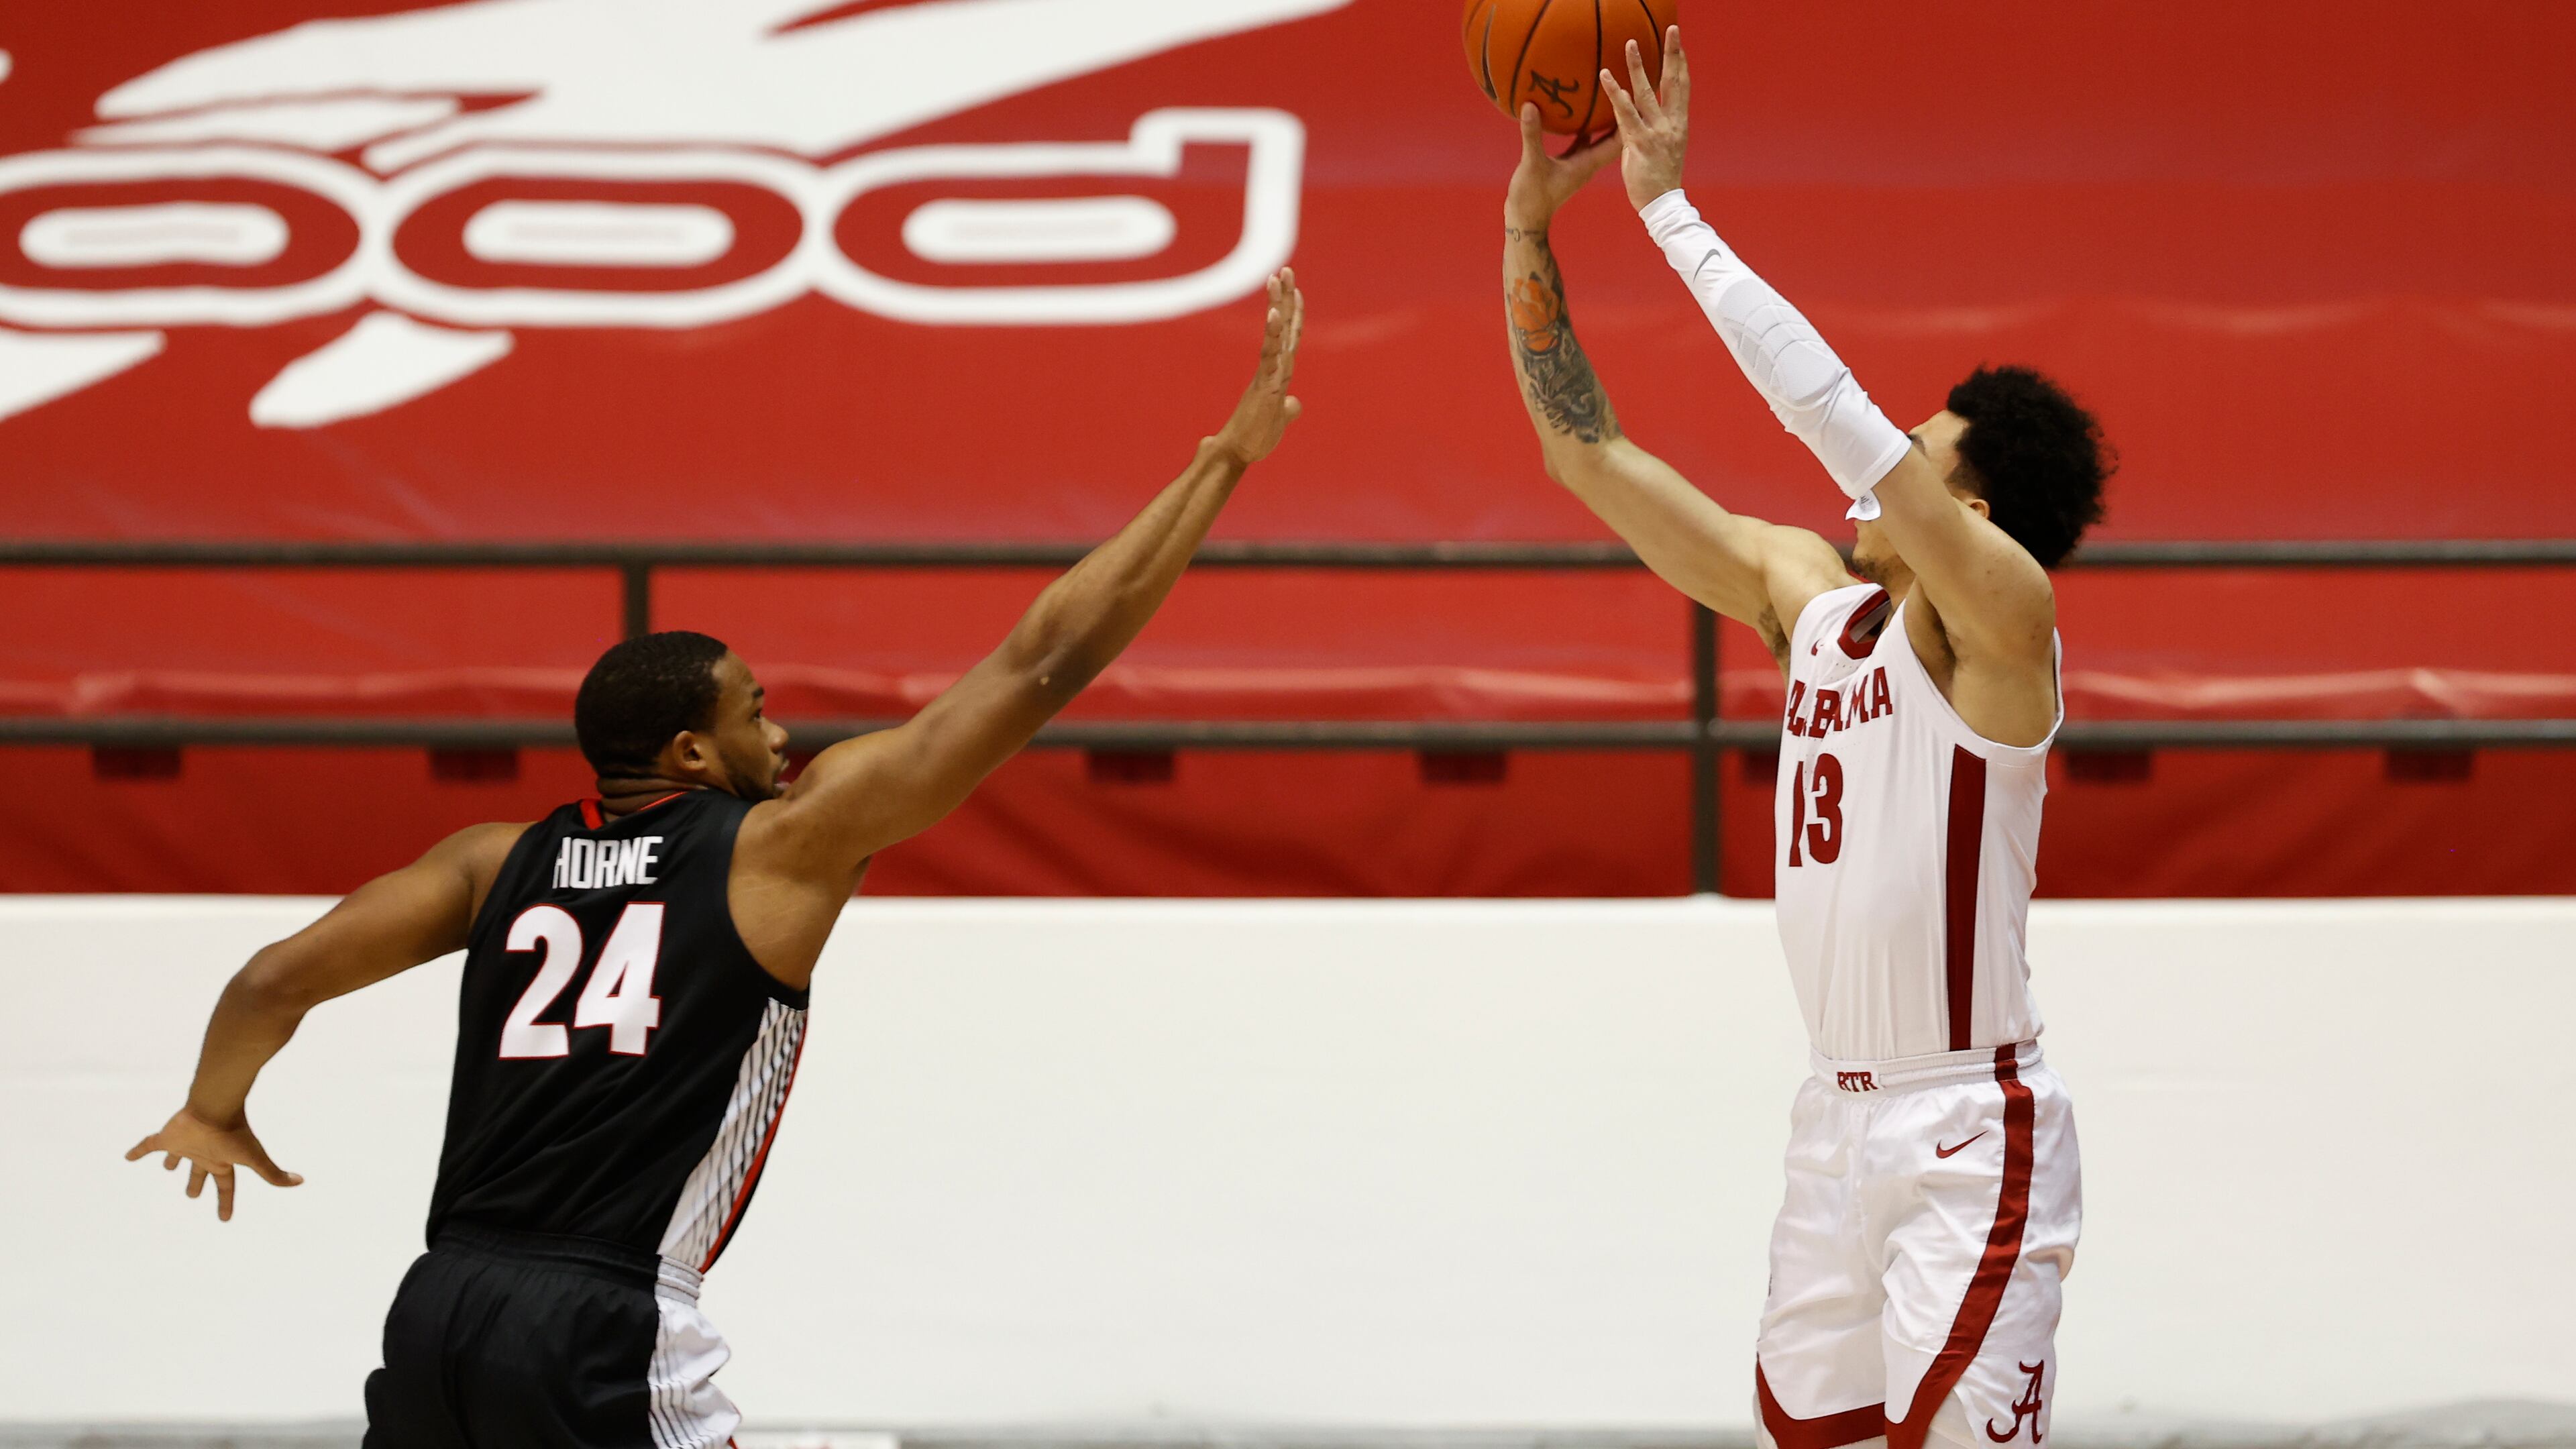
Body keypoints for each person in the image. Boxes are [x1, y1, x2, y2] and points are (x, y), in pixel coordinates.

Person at [125, 270, 1307, 1446]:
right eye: (757, 709)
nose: (781, 732)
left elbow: (274, 978)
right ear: (694, 750)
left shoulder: (491, 863)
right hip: (603, 1322)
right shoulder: (783, 851)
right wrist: (1225, 462)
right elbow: (1040, 664)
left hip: (439, 1308)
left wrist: (213, 1110)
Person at [1499, 32, 2110, 1449]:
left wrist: (1670, 214)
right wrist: (1528, 226)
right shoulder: (1810, 608)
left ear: (1970, 514)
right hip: (1833, 1126)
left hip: (1971, 1132)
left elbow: (1829, 415)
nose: (1881, 456)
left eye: (1919, 449)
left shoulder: (2004, 630)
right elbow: (1579, 452)